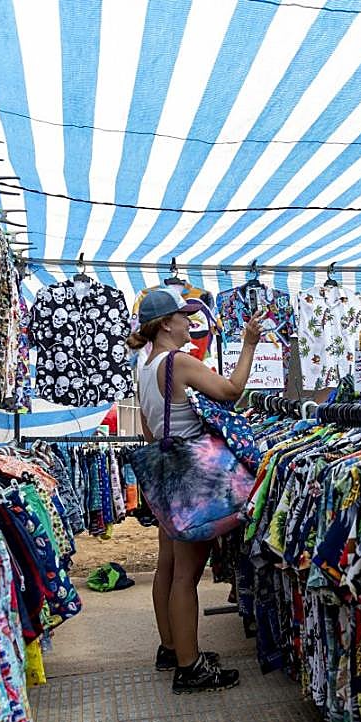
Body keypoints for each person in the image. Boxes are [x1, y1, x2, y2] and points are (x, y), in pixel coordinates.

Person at [128, 287, 264, 694]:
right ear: (166, 324)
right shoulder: (179, 361)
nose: (190, 322)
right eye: (183, 316)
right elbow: (232, 391)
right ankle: (190, 668)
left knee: (167, 568)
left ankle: (171, 648)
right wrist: (249, 344)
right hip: (193, 481)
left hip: (167, 476)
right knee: (187, 575)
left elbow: (150, 430)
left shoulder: (145, 366)